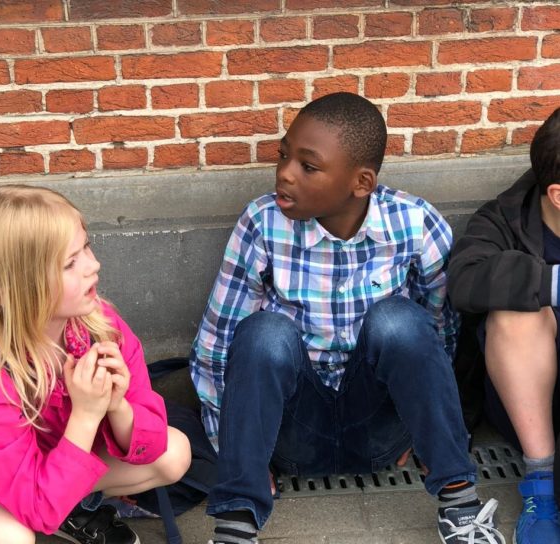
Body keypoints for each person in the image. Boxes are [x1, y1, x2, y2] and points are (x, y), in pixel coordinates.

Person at [189, 92, 505, 544]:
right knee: (262, 333)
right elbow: (216, 347)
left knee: (400, 321)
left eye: (308, 166)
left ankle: (461, 508)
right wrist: (236, 452)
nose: (285, 173)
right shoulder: (262, 222)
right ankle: (236, 523)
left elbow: (442, 336)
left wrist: (427, 430)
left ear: (361, 182)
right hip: (292, 434)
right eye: (283, 156)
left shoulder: (415, 223)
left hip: (382, 430)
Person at [0, 185, 191, 544]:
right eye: (69, 263)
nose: (93, 265)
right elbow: (34, 505)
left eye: (86, 246)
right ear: (13, 289)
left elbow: (150, 439)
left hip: (52, 461)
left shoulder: (101, 329)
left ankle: (67, 509)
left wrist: (118, 407)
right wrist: (86, 414)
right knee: (10, 537)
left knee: (173, 453)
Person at [448, 106, 560, 544]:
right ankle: (541, 487)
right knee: (516, 311)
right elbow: (464, 281)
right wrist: (552, 285)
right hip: (532, 402)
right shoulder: (504, 220)